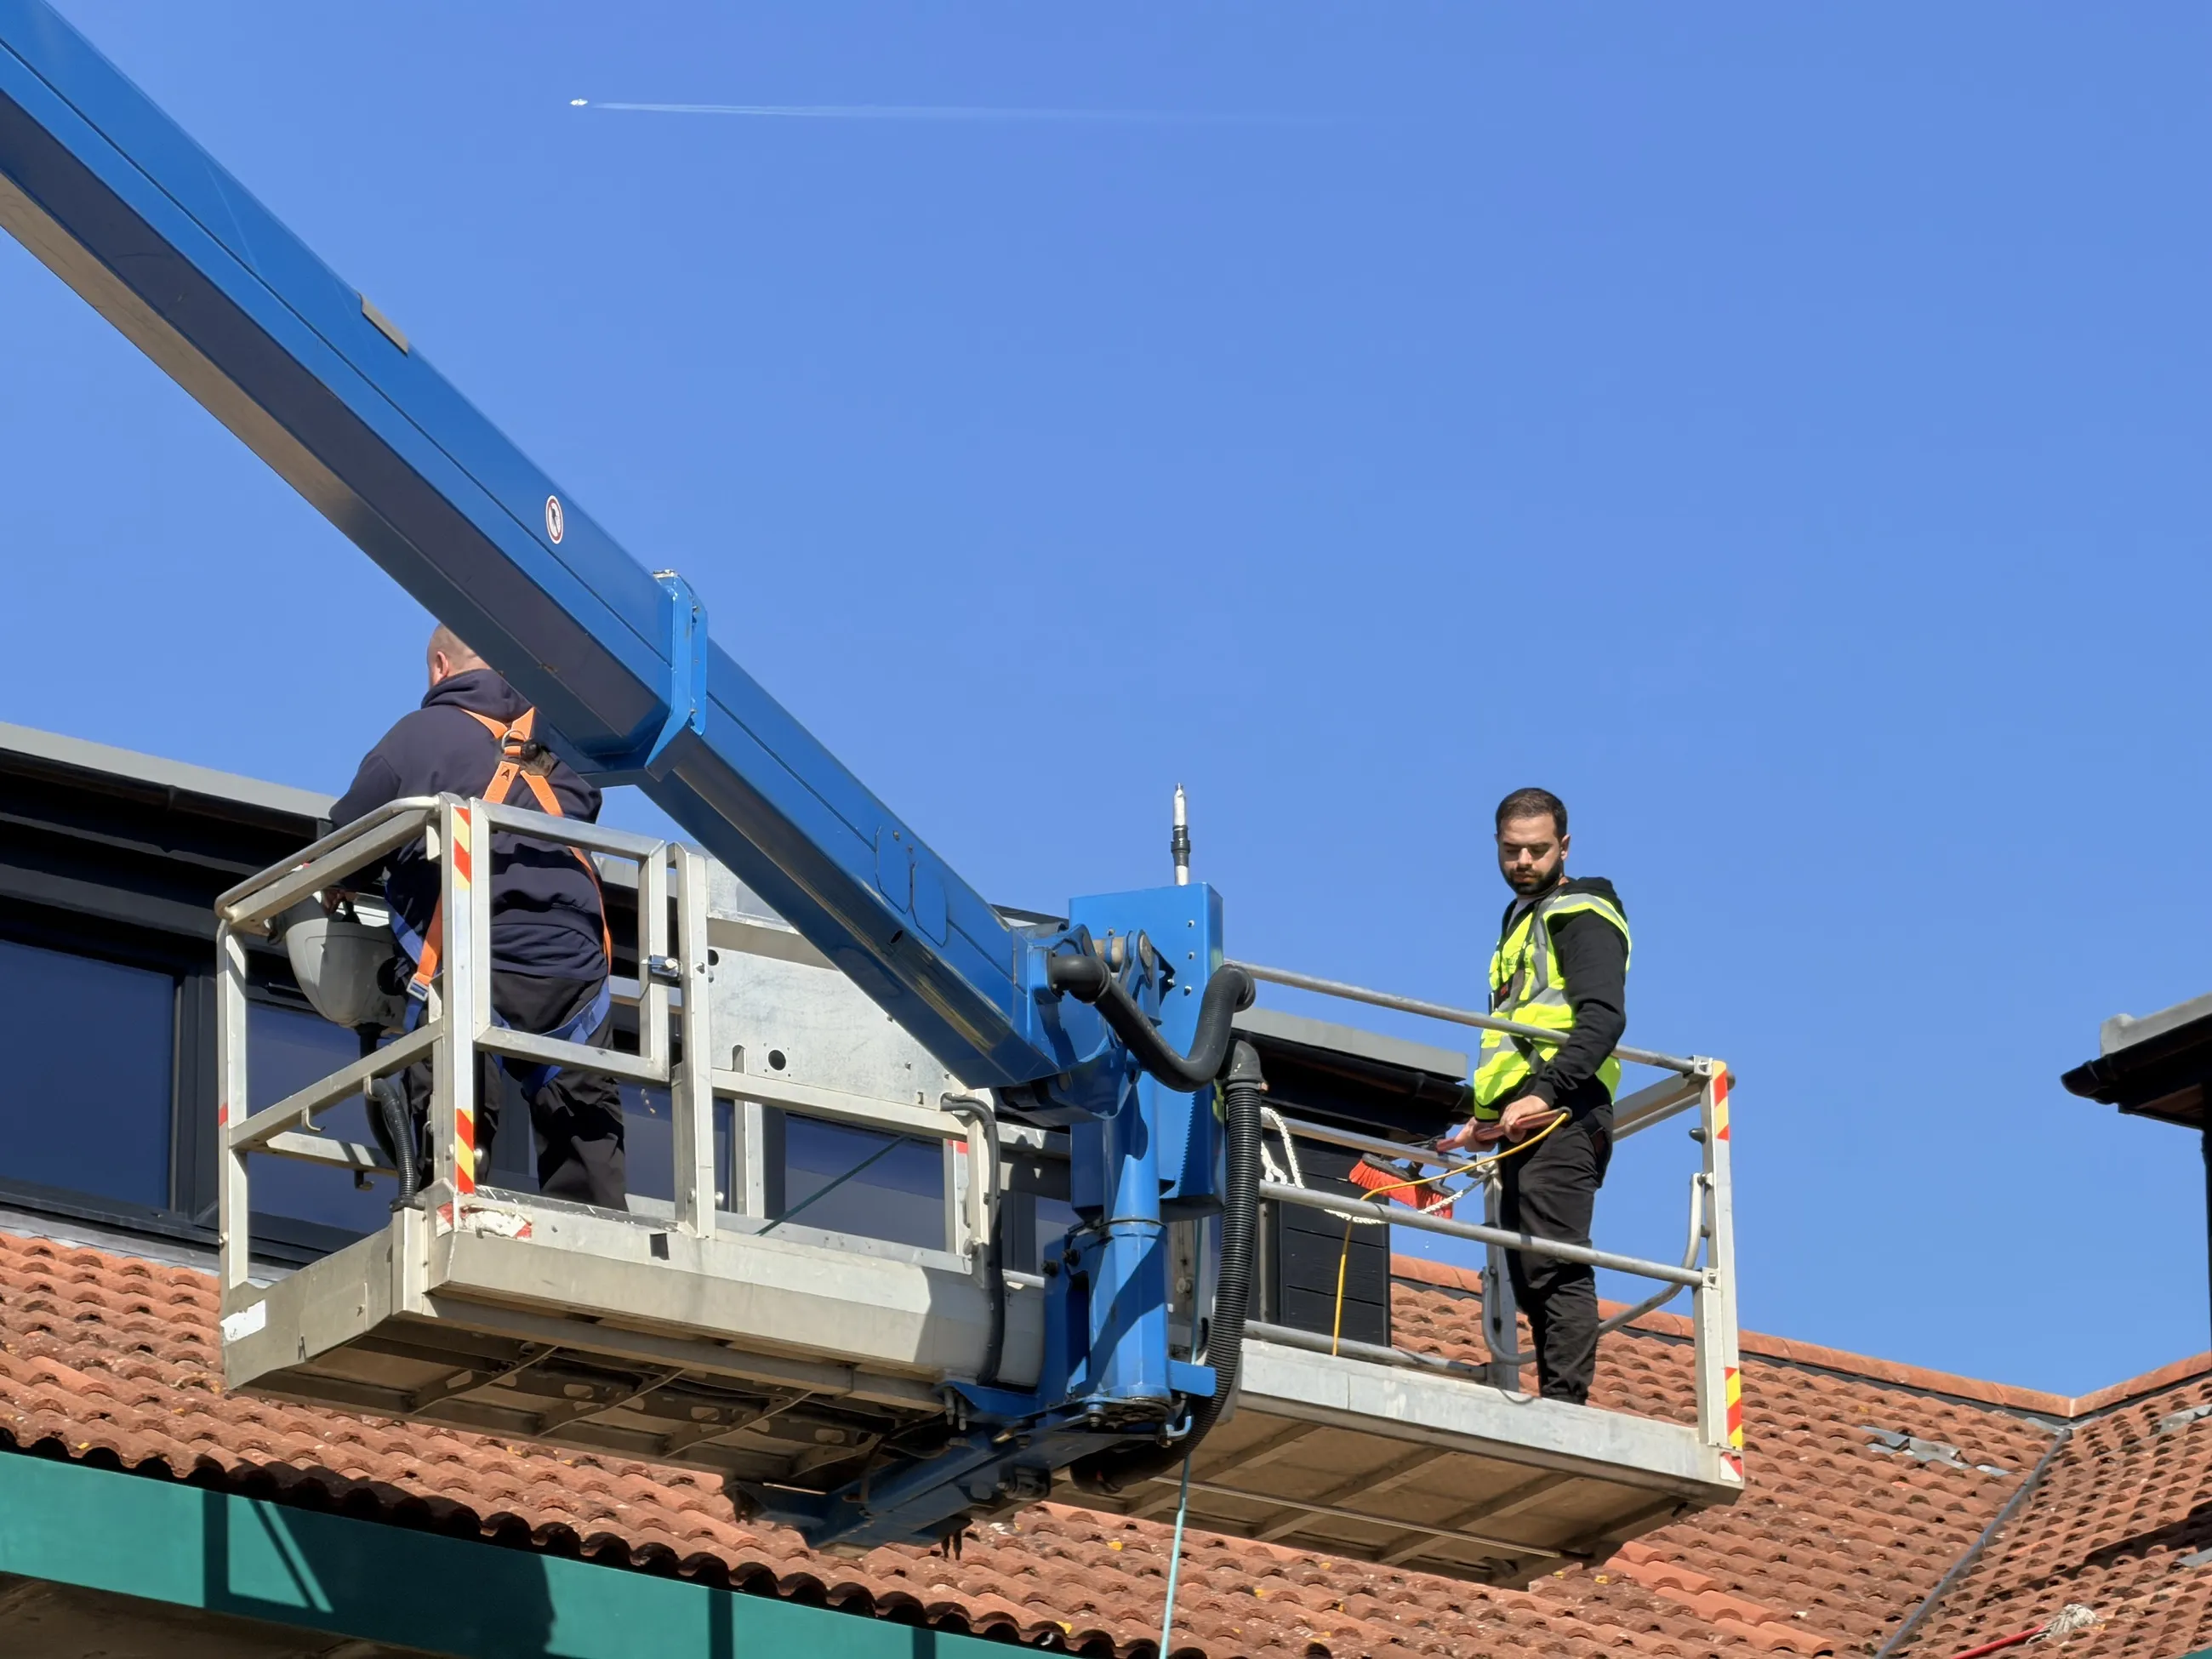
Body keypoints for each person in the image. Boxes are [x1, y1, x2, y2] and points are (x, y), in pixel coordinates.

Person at [327, 624, 626, 1210]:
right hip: (572, 967)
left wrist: (341, 885)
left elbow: (345, 846)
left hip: (470, 960)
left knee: (450, 1088)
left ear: (441, 667)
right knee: (582, 1116)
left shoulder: (416, 739)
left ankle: (453, 1207)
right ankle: (594, 1240)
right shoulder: (562, 743)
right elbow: (585, 804)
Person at [1441, 786, 1629, 1405]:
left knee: (1554, 1262)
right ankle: (1556, 1399)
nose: (1523, 862)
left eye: (1538, 850)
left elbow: (1601, 1020)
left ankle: (1564, 1408)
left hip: (1564, 1112)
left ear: (1565, 846)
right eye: (1512, 850)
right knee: (1527, 1270)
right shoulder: (1521, 921)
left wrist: (1545, 1093)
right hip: (1523, 1119)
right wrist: (1484, 1116)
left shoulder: (1582, 910)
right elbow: (1512, 1042)